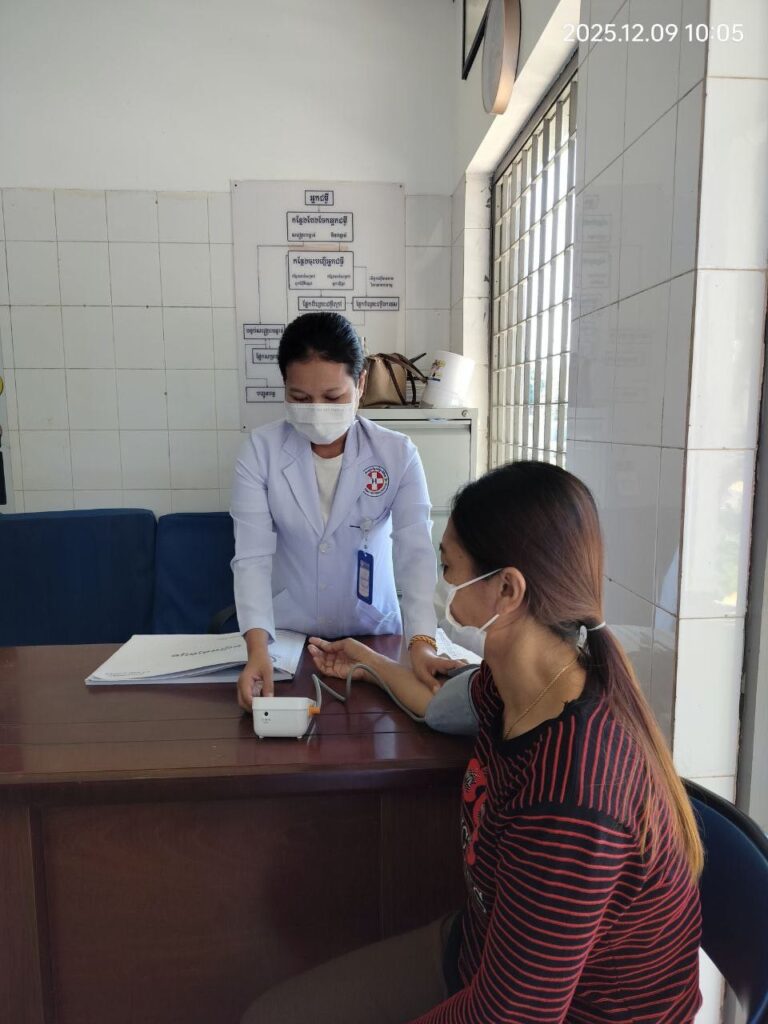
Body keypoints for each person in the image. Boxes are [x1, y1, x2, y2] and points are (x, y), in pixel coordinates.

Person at [241, 461, 703, 1024]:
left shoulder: (573, 794)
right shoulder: (519, 683)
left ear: (506, 590)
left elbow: (511, 1015)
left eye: (447, 568)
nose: (440, 588)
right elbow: (437, 704)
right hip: (483, 955)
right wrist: (366, 662)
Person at [231, 311, 460, 710]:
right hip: (288, 638)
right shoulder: (261, 451)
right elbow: (252, 558)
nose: (316, 409)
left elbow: (416, 556)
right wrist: (257, 646)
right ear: (285, 387)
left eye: (333, 397)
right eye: (300, 398)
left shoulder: (397, 454)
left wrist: (422, 642)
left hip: (375, 636)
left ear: (361, 384)